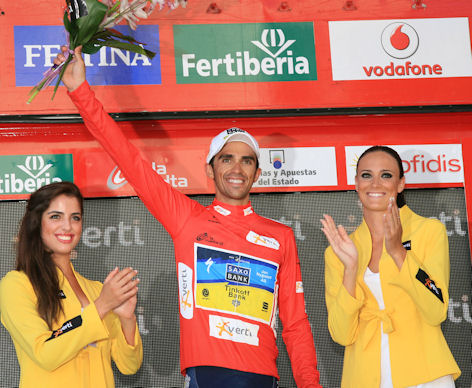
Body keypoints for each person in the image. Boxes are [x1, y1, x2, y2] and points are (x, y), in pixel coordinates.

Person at [54, 46, 322, 388]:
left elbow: (296, 324)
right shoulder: (187, 218)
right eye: (226, 159)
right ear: (210, 170)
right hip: (204, 375)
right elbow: (128, 158)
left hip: (262, 377)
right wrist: (80, 90)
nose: (236, 168)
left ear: (257, 173)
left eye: (247, 161)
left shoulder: (280, 236)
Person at [321, 146, 461, 388]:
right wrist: (351, 269)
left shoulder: (429, 231)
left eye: (386, 175)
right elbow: (341, 334)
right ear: (356, 183)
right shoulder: (339, 250)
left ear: (400, 183)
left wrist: (398, 252)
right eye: (366, 175)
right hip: (364, 379)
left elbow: (436, 310)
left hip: (425, 376)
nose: (375, 184)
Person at [0, 182, 143, 388]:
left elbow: (129, 366)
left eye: (75, 217)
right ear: (36, 223)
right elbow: (45, 354)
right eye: (55, 216)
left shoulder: (96, 289)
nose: (67, 226)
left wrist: (127, 318)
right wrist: (102, 306)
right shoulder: (17, 284)